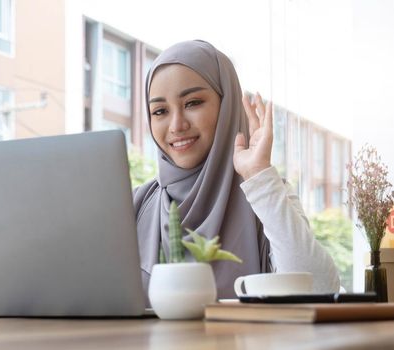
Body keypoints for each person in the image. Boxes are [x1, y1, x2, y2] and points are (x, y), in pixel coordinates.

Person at [132, 40, 340, 299]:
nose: (176, 125)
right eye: (160, 110)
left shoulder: (265, 194)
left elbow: (319, 289)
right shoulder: (136, 205)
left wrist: (259, 177)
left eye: (193, 103)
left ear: (226, 106)